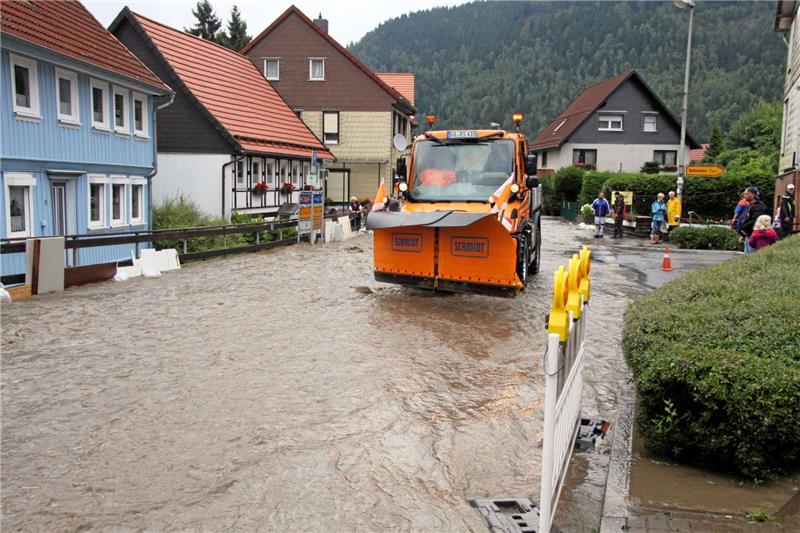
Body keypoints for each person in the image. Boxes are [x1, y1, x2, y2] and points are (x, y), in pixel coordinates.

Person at [738, 186, 767, 253]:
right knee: (747, 258)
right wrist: (743, 234)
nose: (744, 195)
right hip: (749, 236)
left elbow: (754, 221)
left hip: (755, 237)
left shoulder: (758, 207)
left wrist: (742, 228)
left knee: (752, 257)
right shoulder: (750, 206)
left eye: (746, 194)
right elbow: (747, 219)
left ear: (753, 195)